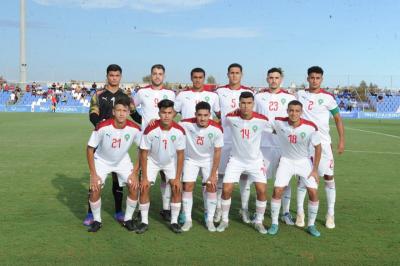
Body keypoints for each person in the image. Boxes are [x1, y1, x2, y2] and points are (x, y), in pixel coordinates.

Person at [83, 64, 142, 226]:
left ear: (120, 77)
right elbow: (93, 113)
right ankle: (91, 214)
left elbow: (135, 114)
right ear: (107, 76)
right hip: (102, 138)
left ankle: (118, 211)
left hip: (121, 140)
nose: (114, 78)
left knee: (118, 179)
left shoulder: (126, 96)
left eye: (117, 75)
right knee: (95, 181)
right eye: (111, 75)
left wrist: (148, 124)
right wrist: (100, 126)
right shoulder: (98, 94)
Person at [296, 66, 345, 229]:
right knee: (303, 179)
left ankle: (330, 214)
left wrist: (341, 140)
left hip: (323, 144)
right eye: (312, 77)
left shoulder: (328, 98)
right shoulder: (300, 95)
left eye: (318, 78)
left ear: (321, 79)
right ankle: (300, 213)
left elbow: (338, 119)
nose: (314, 80)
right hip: (304, 144)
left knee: (328, 178)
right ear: (307, 78)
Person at [217, 92, 272, 234]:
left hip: (255, 161)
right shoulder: (231, 117)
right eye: (243, 103)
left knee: (261, 190)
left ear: (253, 104)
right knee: (227, 189)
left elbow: (277, 130)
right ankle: (224, 220)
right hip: (236, 160)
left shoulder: (262, 120)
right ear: (239, 104)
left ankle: (258, 222)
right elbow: (220, 123)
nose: (246, 106)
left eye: (249, 103)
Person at [268, 100, 322, 237]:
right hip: (286, 161)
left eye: (297, 111)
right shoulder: (279, 122)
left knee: (313, 192)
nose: (294, 113)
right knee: (277, 190)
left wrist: (315, 169)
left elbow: (318, 147)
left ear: (301, 112)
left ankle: (311, 225)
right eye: (291, 110)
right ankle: (274, 223)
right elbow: (262, 121)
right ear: (287, 111)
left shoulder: (310, 127)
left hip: (304, 162)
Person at [133, 64, 176, 221]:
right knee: (143, 176)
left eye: (160, 74)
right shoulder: (142, 92)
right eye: (155, 73)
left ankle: (165, 209)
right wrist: (142, 121)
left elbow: (173, 112)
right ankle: (140, 209)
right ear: (151, 75)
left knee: (166, 175)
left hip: (165, 139)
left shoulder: (170, 93)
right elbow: (131, 107)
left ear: (163, 76)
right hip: (146, 140)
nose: (157, 76)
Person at [254, 67, 296, 225]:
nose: (273, 80)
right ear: (267, 79)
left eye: (276, 78)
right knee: (260, 180)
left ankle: (285, 212)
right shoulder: (259, 97)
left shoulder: (289, 97)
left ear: (281, 79)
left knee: (283, 180)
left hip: (282, 145)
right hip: (263, 143)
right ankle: (260, 211)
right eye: (271, 77)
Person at [138, 99, 185, 234]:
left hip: (170, 162)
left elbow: (180, 155)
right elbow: (144, 152)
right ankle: (144, 221)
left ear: (173, 114)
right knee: (145, 187)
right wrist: (145, 177)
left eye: (169, 112)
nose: (166, 115)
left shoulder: (179, 131)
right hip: (152, 161)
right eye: (163, 112)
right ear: (159, 113)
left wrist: (177, 177)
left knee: (176, 187)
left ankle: (174, 222)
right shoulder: (150, 129)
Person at [214, 63, 254, 224]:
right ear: (227, 74)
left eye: (237, 73)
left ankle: (244, 209)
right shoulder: (219, 92)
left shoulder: (249, 93)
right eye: (232, 73)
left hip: (243, 142)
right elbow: (218, 113)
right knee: (221, 176)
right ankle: (218, 209)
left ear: (241, 74)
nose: (234, 76)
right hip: (224, 140)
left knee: (245, 177)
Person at [179, 101, 223, 232]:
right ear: (195, 114)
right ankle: (188, 219)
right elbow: (169, 123)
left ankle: (209, 220)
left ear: (210, 115)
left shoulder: (216, 129)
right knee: (187, 186)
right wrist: (155, 121)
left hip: (208, 161)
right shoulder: (185, 124)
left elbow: (218, 152)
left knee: (211, 186)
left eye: (205, 115)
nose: (202, 118)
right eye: (199, 115)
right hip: (190, 160)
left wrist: (213, 173)